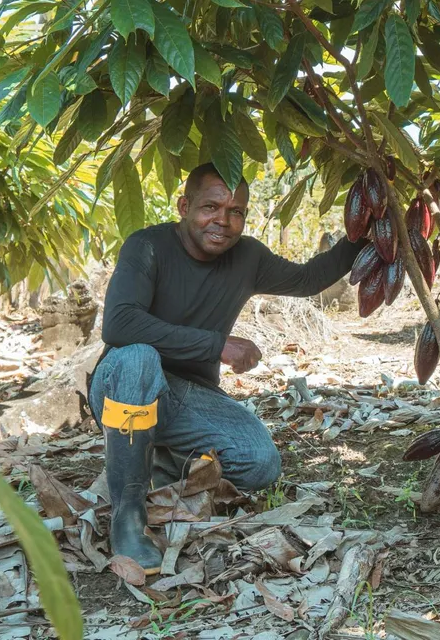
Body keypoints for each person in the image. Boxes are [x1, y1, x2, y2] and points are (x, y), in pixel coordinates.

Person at [90, 162, 365, 572]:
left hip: (186, 394)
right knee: (138, 356)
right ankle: (128, 517)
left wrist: (367, 231)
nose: (223, 220)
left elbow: (308, 280)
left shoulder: (247, 256)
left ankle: (156, 458)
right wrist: (216, 344)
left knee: (260, 462)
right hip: (122, 384)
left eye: (236, 211)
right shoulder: (147, 246)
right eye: (210, 207)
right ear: (184, 205)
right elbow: (119, 324)